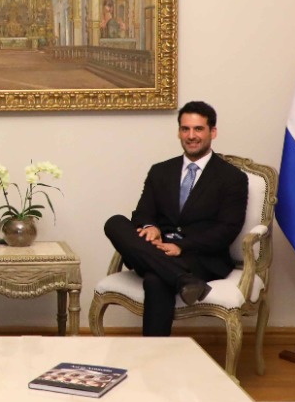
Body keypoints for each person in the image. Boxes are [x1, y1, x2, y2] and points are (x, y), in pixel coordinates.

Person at [103, 100, 248, 337]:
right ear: (179, 132)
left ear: (212, 132)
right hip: (156, 248)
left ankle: (153, 354)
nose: (191, 136)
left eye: (198, 129)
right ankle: (183, 279)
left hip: (200, 257)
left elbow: (228, 229)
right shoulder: (160, 171)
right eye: (185, 129)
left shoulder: (232, 178)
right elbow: (142, 213)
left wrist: (181, 246)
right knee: (115, 223)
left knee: (156, 279)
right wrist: (150, 226)